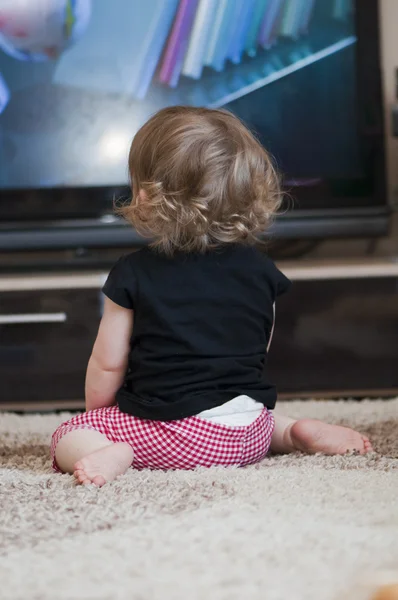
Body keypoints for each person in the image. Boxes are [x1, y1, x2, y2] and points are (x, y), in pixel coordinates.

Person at [51, 106, 372, 486]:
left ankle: (110, 452)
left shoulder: (132, 273)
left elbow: (107, 364)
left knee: (67, 434)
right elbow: (255, 349)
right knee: (243, 413)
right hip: (246, 434)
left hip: (173, 437)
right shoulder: (262, 271)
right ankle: (288, 434)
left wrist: (101, 420)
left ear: (145, 194)